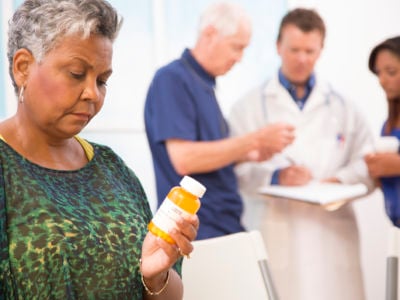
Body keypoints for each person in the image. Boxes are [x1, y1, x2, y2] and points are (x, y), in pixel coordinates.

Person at [0, 0, 198, 299]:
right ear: (23, 67)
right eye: (77, 74)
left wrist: (154, 275)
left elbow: (167, 294)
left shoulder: (113, 170)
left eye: (102, 80)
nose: (93, 93)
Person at [229, 8, 375, 300]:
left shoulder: (345, 108)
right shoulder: (248, 107)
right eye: (294, 49)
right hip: (280, 229)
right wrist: (276, 175)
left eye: (310, 50)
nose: (302, 58)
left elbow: (368, 164)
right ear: (278, 46)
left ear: (321, 50)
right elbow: (235, 169)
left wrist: (337, 181)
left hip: (333, 229)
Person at [144, 2, 295, 240]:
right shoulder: (172, 79)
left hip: (223, 223)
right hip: (198, 230)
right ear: (210, 34)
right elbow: (184, 159)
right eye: (236, 47)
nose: (239, 58)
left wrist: (247, 155)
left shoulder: (205, 85)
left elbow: (207, 158)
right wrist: (254, 140)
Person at [365, 36, 400, 227]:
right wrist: (377, 170)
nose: (382, 80)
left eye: (391, 72)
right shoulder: (388, 126)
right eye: (379, 73)